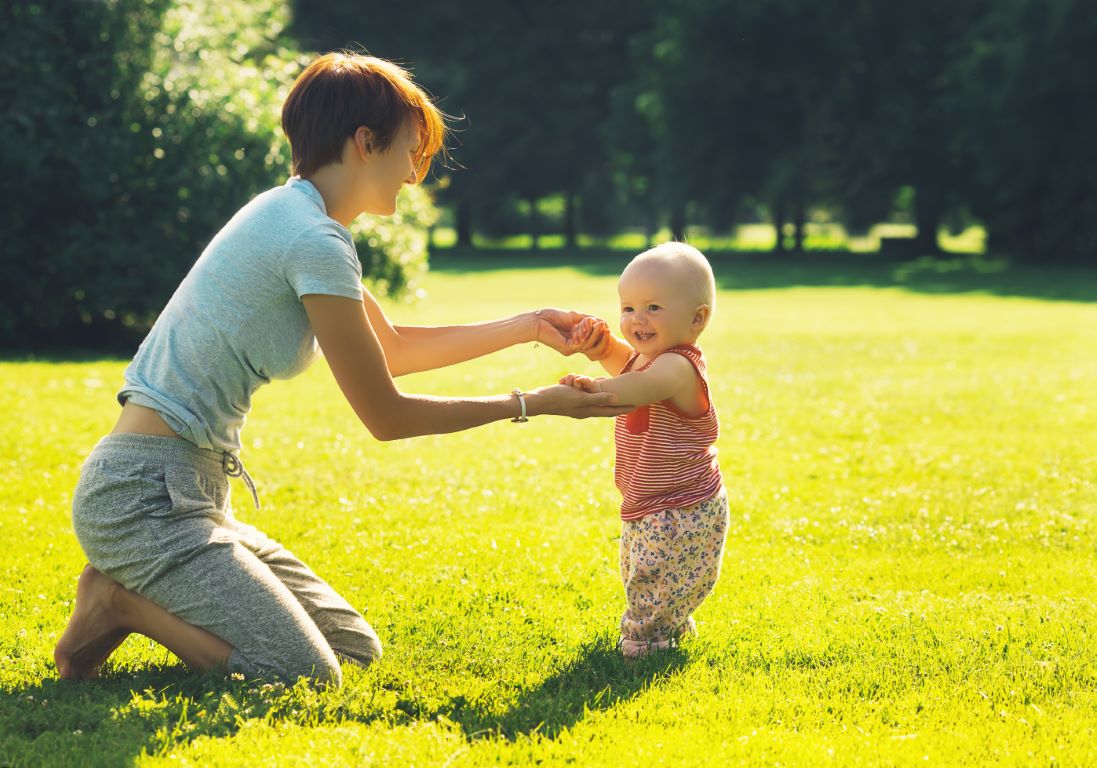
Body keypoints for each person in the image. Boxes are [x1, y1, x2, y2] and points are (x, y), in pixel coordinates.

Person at [52, 52, 626, 687]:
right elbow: (386, 415)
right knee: (300, 673)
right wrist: (532, 404)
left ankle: (133, 588)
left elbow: (395, 348)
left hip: (189, 491)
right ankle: (118, 601)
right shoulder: (311, 239)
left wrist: (529, 326)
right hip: (143, 499)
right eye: (411, 150)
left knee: (353, 649)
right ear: (365, 142)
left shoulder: (294, 215)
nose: (415, 173)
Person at [559, 242, 729, 659]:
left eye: (653, 307)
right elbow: (628, 365)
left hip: (682, 505)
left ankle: (644, 645)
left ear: (697, 318)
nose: (637, 319)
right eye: (628, 307)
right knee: (644, 570)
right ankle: (669, 626)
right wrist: (600, 348)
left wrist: (594, 390)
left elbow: (639, 387)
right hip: (651, 499)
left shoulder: (677, 366)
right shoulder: (648, 357)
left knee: (655, 575)